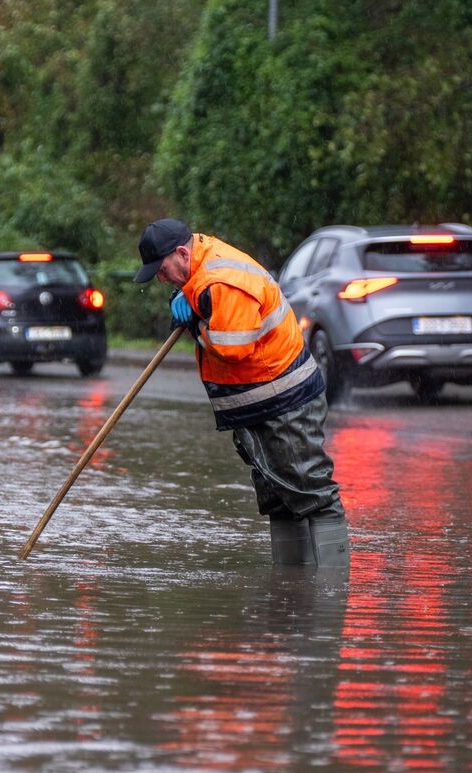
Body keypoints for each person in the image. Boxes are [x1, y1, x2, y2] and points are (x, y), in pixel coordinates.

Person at [134, 218, 350, 568]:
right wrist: (190, 296)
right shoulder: (202, 270)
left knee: (312, 494)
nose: (160, 279)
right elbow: (208, 301)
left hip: (285, 400)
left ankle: (331, 595)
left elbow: (234, 348)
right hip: (260, 405)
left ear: (182, 252)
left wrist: (194, 322)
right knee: (280, 497)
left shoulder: (222, 281)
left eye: (161, 270)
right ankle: (290, 588)